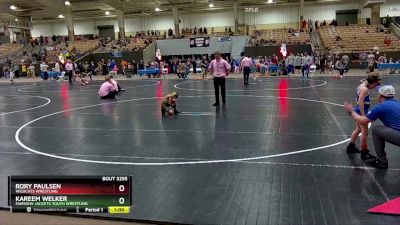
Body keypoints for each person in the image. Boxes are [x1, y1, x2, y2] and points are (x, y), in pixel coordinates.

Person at [344, 85, 400, 169]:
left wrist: (351, 111)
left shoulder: (381, 107)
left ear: (381, 96)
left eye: (378, 94)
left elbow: (362, 120)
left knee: (376, 129)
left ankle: (382, 161)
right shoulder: (397, 103)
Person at [346, 74, 381, 160]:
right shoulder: (364, 89)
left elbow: (357, 99)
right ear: (371, 82)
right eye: (375, 85)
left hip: (359, 110)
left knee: (358, 130)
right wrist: (363, 115)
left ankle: (351, 146)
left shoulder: (360, 87)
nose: (374, 87)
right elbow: (360, 101)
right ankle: (364, 152)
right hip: (362, 111)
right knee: (364, 132)